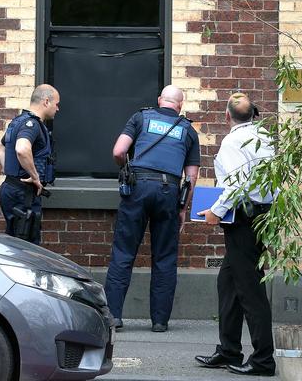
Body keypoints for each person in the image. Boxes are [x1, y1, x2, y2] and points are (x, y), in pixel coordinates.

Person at [104, 85, 200, 333]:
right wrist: (182, 208)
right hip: (168, 192)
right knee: (165, 257)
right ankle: (159, 321)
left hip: (137, 188)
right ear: (180, 104)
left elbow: (119, 151)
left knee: (123, 253)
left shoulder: (141, 117)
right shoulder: (188, 130)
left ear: (160, 100)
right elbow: (190, 177)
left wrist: (125, 167)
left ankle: (114, 316)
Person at [194, 92, 276, 377]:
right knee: (228, 282)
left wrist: (216, 210)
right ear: (253, 114)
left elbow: (235, 185)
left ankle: (263, 359)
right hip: (261, 214)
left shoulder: (231, 141)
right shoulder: (265, 135)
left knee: (250, 289)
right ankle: (229, 349)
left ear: (227, 117)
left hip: (242, 217)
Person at [0, 84, 60, 244]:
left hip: (11, 188)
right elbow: (22, 149)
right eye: (56, 104)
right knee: (26, 247)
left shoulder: (18, 121)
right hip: (23, 194)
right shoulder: (32, 125)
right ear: (46, 101)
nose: (57, 108)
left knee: (15, 242)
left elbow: (1, 146)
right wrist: (35, 177)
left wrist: (10, 172)